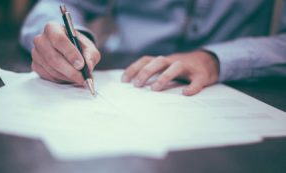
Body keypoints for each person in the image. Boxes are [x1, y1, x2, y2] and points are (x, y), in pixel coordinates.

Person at [20, 0, 286, 96]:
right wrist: (64, 39)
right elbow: (56, 5)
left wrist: (214, 60)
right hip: (125, 76)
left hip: (238, 84)